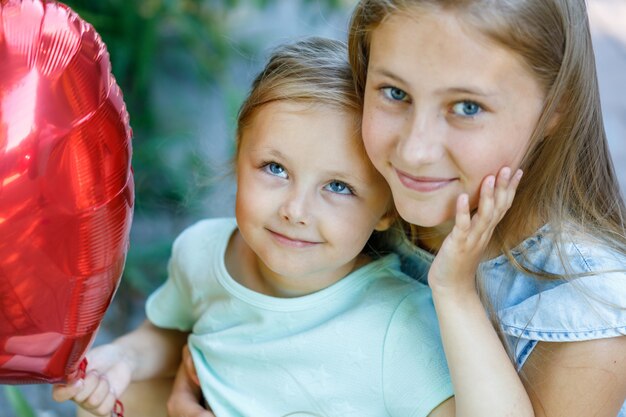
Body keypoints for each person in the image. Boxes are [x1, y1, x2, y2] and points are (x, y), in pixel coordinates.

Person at [54, 37, 533, 417]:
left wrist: (454, 289)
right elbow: (167, 332)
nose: (296, 209)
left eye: (339, 187)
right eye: (275, 169)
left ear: (386, 209)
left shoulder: (396, 325)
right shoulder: (202, 254)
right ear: (238, 156)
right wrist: (124, 360)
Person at [344, 0, 626, 416]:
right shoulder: (343, 196)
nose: (415, 150)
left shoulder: (589, 315)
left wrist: (455, 294)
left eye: (467, 107)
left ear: (556, 108)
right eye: (395, 93)